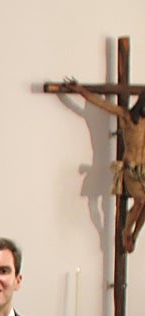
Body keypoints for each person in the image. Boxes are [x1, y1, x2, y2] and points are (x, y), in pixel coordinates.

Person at [61, 78, 145, 252]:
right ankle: (126, 232)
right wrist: (80, 89)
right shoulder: (126, 116)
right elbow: (99, 103)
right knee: (140, 201)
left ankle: (134, 236)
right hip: (131, 169)